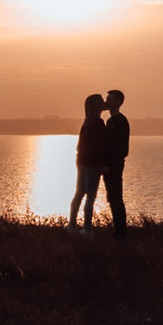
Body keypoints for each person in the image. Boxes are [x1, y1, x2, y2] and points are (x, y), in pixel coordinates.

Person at [68, 93, 107, 229]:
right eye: (102, 101)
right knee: (90, 197)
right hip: (92, 165)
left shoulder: (86, 123)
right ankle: (87, 228)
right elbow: (99, 147)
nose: (104, 102)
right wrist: (102, 166)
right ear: (98, 106)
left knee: (79, 193)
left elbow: (80, 146)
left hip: (82, 163)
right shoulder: (98, 124)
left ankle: (72, 224)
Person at [100, 89, 131, 231]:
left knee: (116, 198)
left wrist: (110, 165)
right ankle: (118, 230)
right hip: (110, 165)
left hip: (114, 165)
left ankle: (120, 233)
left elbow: (121, 148)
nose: (106, 102)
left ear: (118, 102)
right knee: (112, 198)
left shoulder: (120, 121)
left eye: (110, 99)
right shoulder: (110, 121)